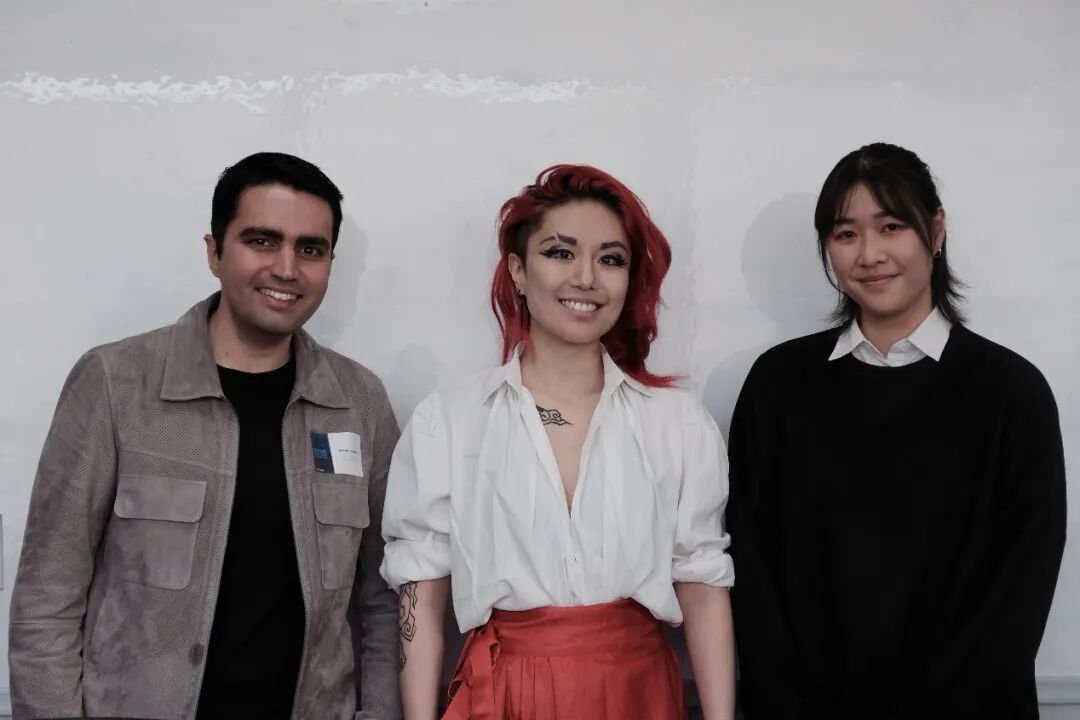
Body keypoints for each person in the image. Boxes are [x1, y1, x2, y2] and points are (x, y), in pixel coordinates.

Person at [9, 152, 401, 720]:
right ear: (215, 252)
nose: (286, 268)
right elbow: (48, 595)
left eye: (310, 249)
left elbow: (384, 598)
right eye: (262, 241)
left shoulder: (359, 403)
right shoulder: (115, 384)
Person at [380, 164, 736, 720]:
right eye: (560, 253)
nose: (586, 278)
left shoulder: (679, 424)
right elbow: (420, 592)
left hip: (638, 694)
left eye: (610, 259)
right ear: (518, 272)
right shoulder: (449, 420)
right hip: (502, 696)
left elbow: (703, 584)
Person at [727, 142, 1067, 719]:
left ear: (935, 232)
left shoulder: (1012, 392)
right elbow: (753, 570)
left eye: (891, 227)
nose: (870, 255)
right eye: (846, 234)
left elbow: (1019, 590)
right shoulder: (777, 386)